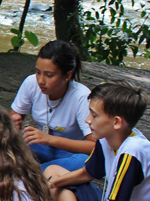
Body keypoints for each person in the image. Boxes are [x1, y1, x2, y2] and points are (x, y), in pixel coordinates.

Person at [10, 40, 95, 171]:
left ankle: (29, 175)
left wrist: (50, 139)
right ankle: (40, 173)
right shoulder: (31, 83)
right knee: (11, 145)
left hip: (70, 153)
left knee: (83, 162)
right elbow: (12, 122)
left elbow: (94, 146)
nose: (41, 81)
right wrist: (12, 125)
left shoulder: (81, 97)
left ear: (67, 75)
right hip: (40, 147)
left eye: (49, 75)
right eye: (38, 72)